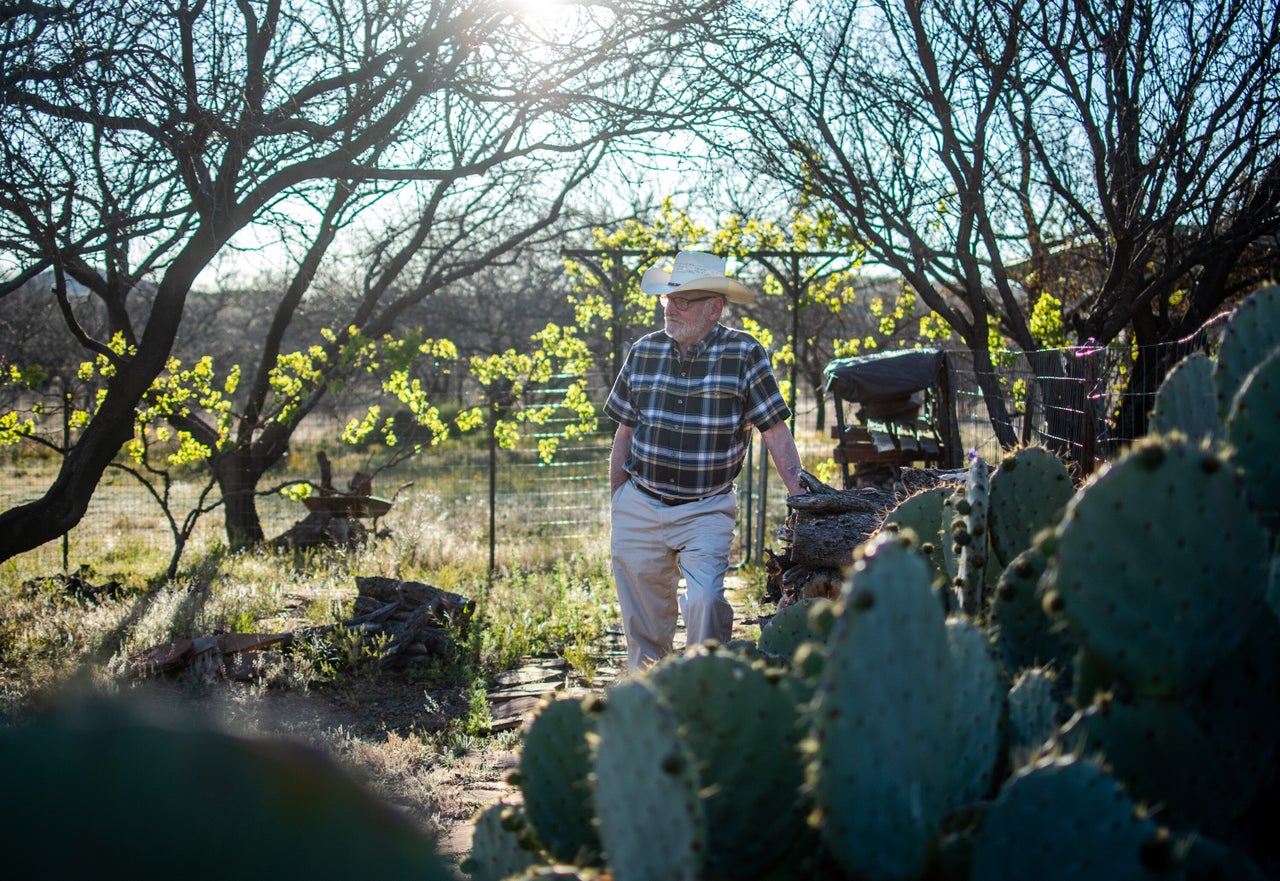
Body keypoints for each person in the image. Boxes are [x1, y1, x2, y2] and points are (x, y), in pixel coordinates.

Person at [604, 250, 806, 673]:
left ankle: (704, 693)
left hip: (706, 507)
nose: (670, 308)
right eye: (667, 299)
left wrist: (805, 502)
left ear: (714, 309)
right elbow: (624, 430)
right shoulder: (644, 352)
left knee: (706, 604)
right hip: (639, 502)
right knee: (644, 626)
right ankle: (651, 702)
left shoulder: (745, 353)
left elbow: (774, 431)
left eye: (683, 300)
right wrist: (619, 501)